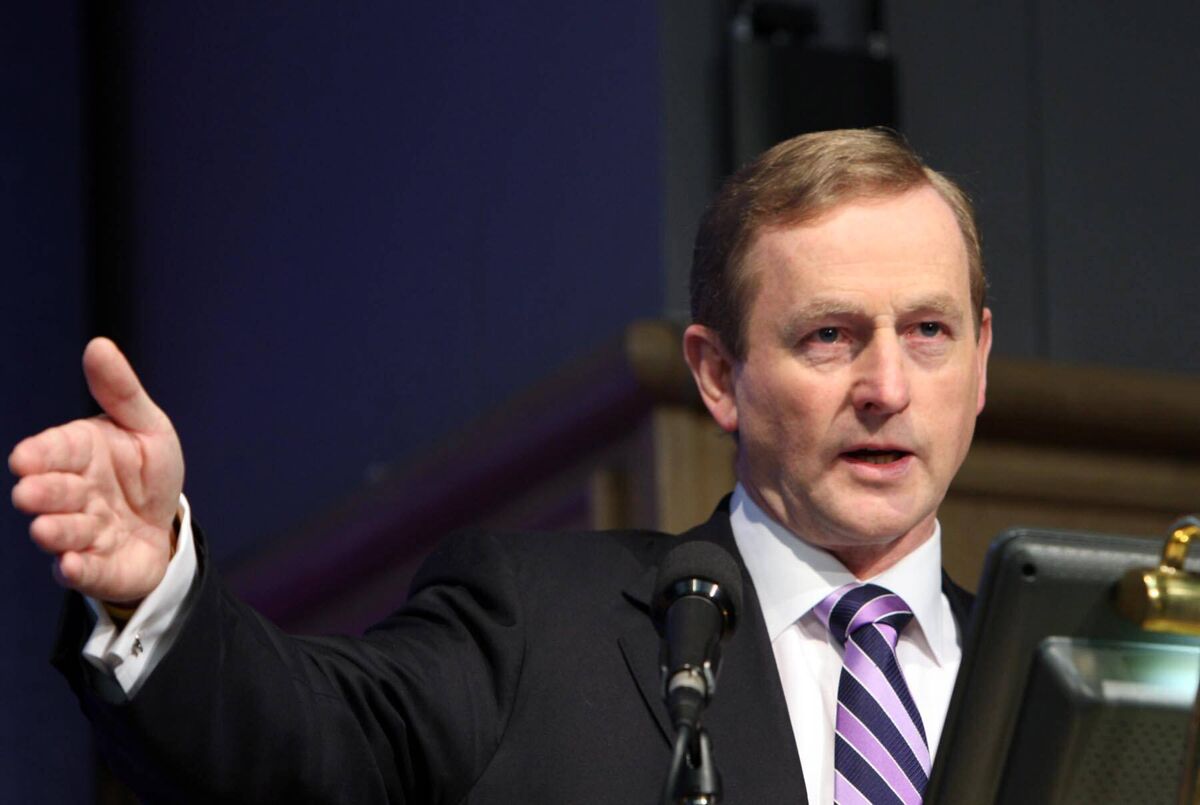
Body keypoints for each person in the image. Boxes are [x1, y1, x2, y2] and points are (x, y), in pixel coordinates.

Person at [11, 128, 991, 803]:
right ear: (719, 375)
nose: (887, 386)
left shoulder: (1077, 670)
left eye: (929, 332)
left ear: (981, 360)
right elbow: (298, 748)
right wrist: (160, 593)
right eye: (829, 335)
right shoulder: (541, 625)